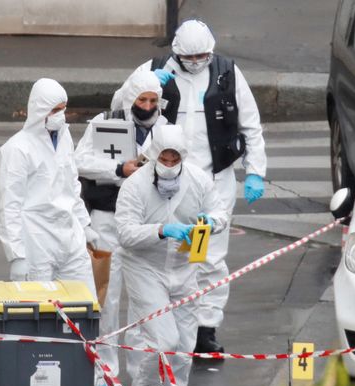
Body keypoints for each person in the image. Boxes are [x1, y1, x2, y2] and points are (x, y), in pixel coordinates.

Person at [112, 19, 267, 353]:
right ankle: (158, 324)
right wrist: (147, 85)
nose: (197, 62)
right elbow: (118, 104)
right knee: (161, 253)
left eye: (203, 56)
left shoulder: (228, 73)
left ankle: (205, 329)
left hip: (213, 178)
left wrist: (255, 171)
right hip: (166, 177)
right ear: (177, 53)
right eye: (190, 57)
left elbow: (251, 126)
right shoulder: (154, 69)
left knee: (210, 257)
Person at [115, 124, 228, 386]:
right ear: (154, 155)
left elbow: (219, 211)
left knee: (184, 349)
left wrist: (211, 222)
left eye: (174, 159)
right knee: (164, 343)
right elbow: (125, 233)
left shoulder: (198, 180)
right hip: (145, 269)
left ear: (183, 157)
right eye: (163, 159)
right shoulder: (135, 185)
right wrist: (162, 230)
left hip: (185, 268)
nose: (168, 165)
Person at [74, 70, 166, 386]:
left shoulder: (166, 129)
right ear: (130, 99)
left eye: (153, 100)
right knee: (106, 299)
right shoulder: (106, 121)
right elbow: (80, 161)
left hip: (143, 224)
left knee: (143, 300)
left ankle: (142, 371)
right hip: (106, 219)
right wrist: (119, 169)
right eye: (142, 100)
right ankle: (103, 372)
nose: (148, 106)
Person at [0, 78, 96, 295]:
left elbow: (71, 183)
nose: (61, 115)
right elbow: (9, 206)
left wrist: (84, 223)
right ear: (40, 110)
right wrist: (16, 255)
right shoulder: (17, 149)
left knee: (84, 302)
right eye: (55, 110)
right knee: (39, 312)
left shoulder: (64, 137)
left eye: (63, 109)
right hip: (36, 241)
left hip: (70, 236)